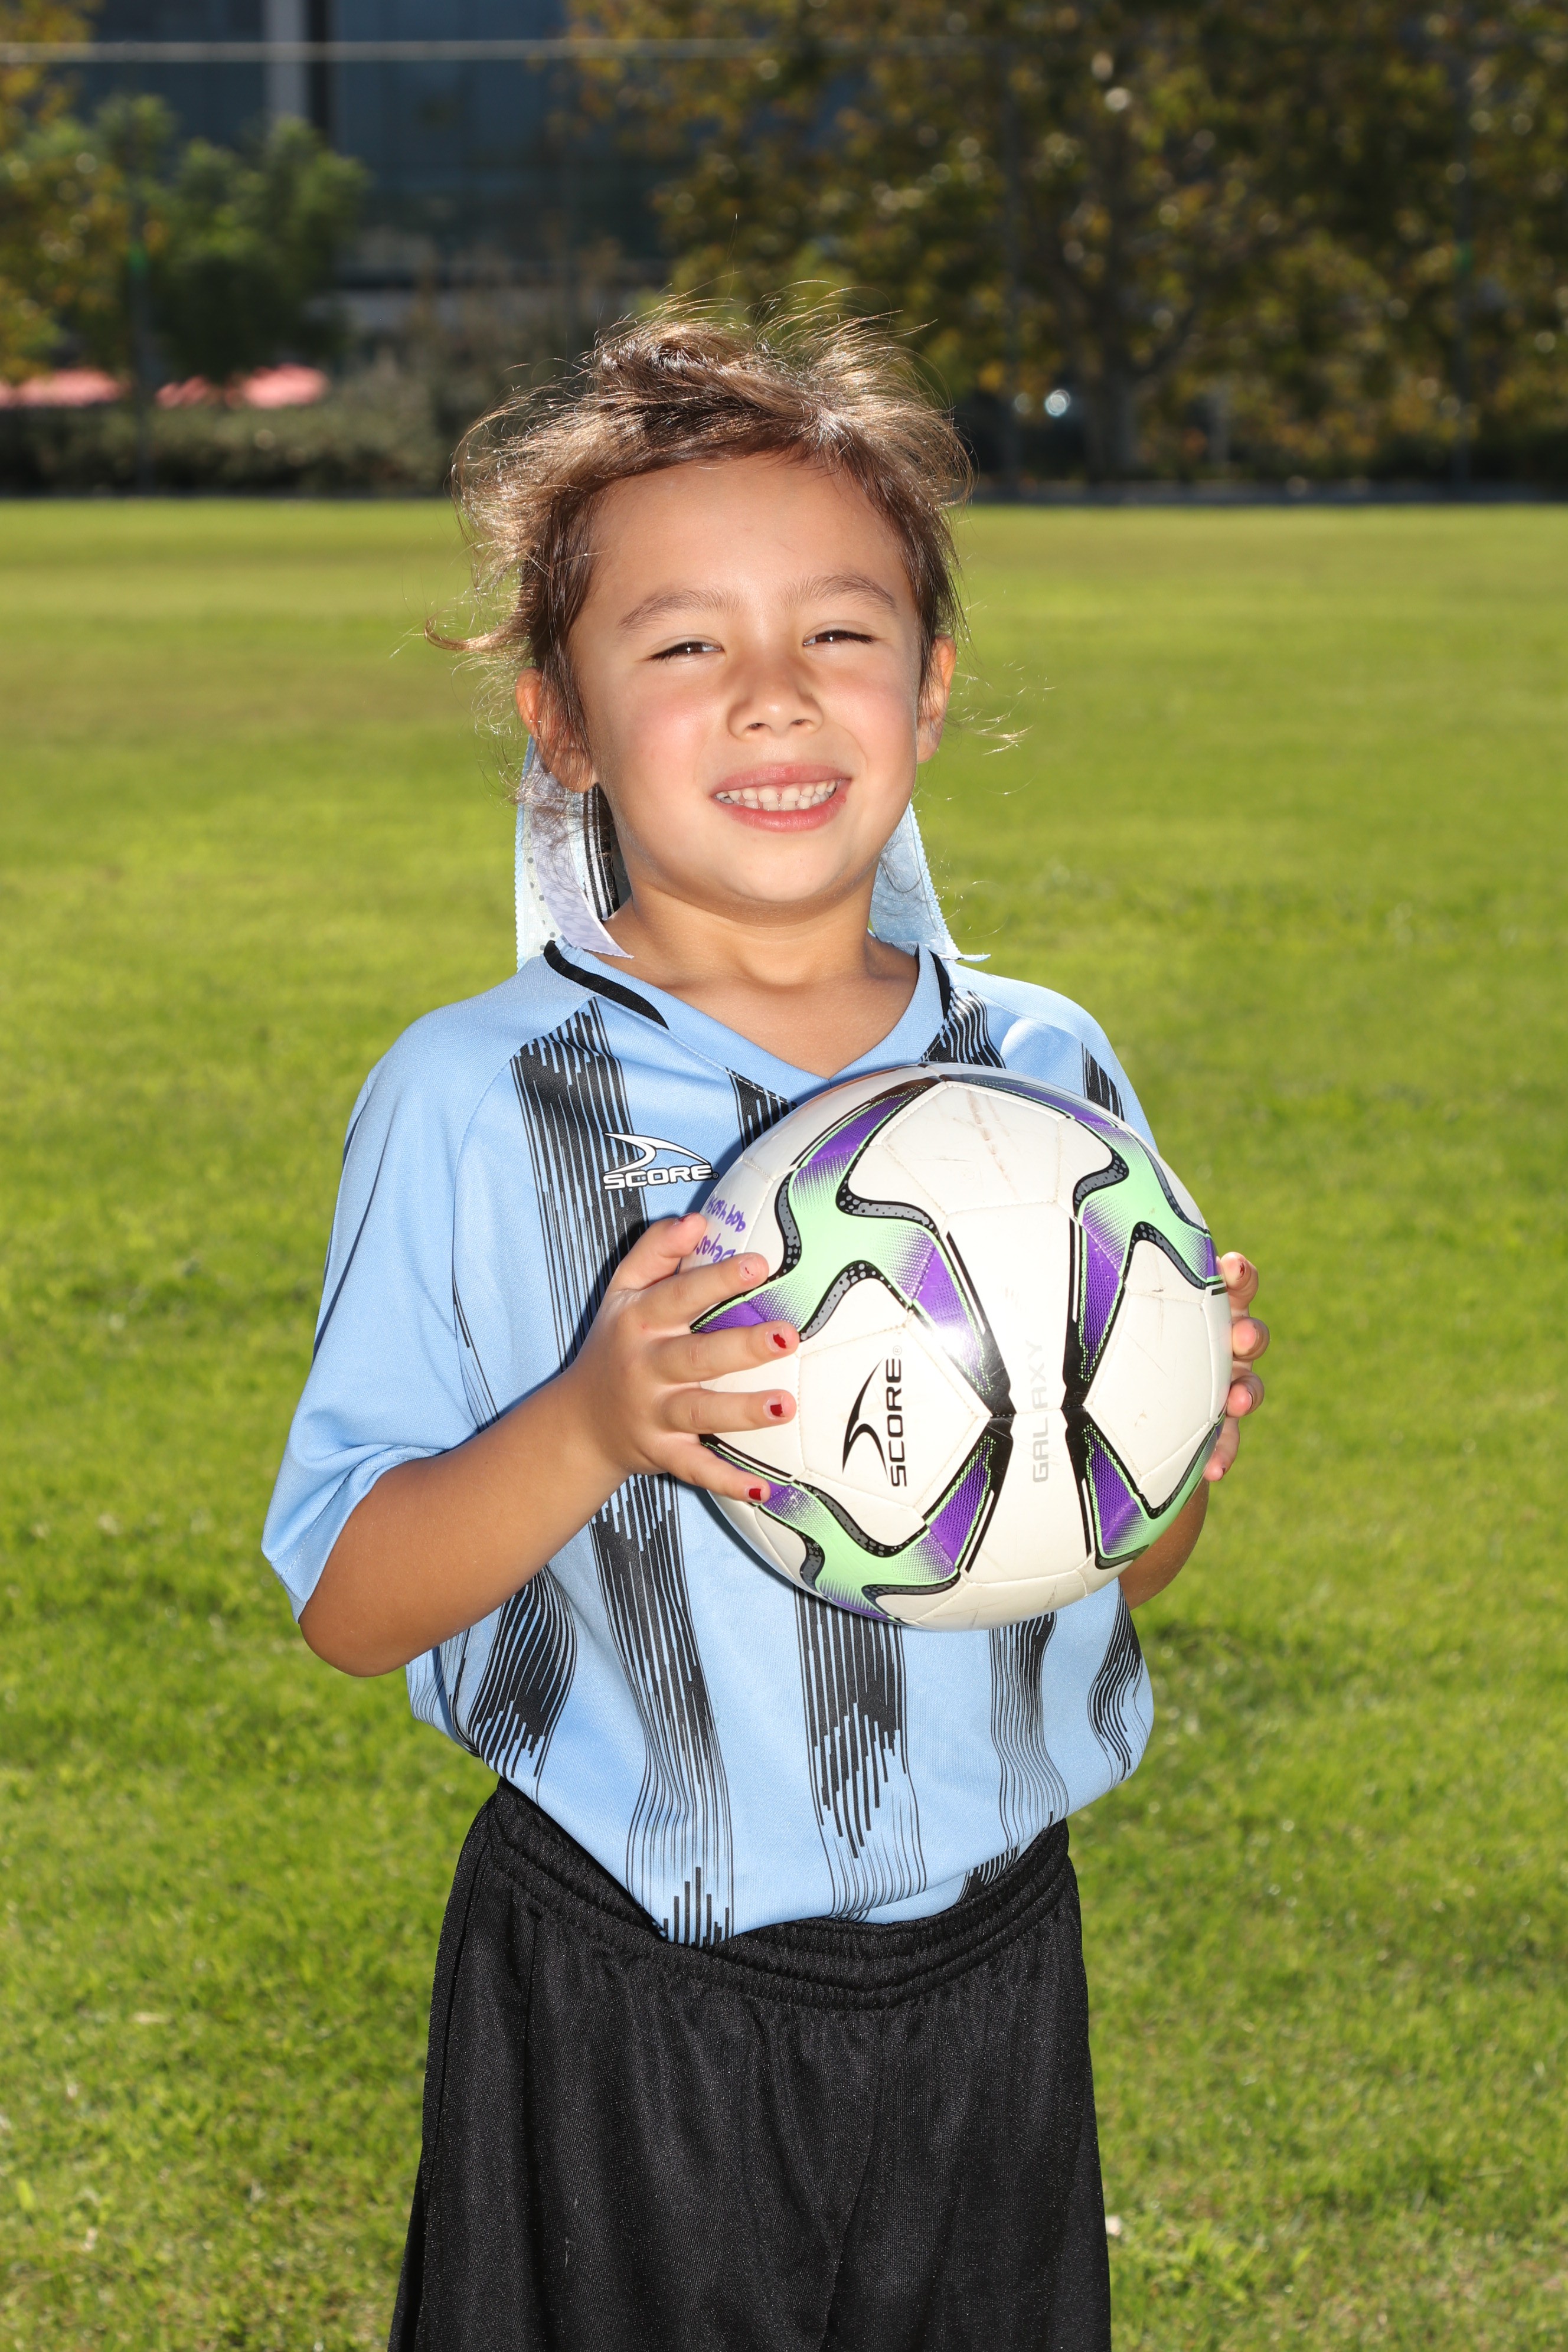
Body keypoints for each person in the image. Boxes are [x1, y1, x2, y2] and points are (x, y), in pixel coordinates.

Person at [263, 308, 1268, 2352]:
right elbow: (354, 1602)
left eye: (838, 630)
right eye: (683, 645)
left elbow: (1113, 1568)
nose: (774, 694)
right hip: (634, 2003)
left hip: (997, 1976)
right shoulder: (478, 1099)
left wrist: (1161, 1447)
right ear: (560, 722)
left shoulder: (1043, 1075)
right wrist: (590, 1423)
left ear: (931, 682)